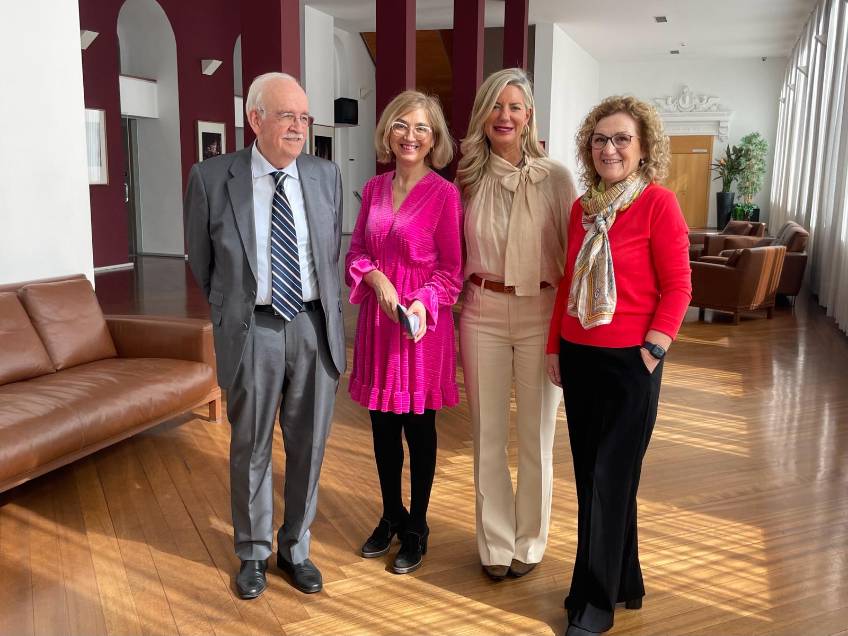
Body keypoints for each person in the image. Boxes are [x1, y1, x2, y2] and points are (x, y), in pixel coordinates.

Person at [185, 72, 346, 600]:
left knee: (309, 445)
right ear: (255, 119)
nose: (299, 127)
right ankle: (253, 553)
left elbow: (329, 252)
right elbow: (202, 263)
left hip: (313, 326)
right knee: (250, 445)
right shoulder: (212, 178)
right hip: (253, 327)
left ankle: (295, 548)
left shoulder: (325, 175)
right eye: (286, 116)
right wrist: (236, 307)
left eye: (304, 117)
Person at [545, 96, 691, 636]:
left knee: (611, 478)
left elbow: (679, 286)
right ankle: (624, 581)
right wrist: (554, 347)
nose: (610, 148)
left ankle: (593, 604)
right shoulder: (581, 208)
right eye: (600, 139)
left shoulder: (658, 204)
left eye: (622, 138)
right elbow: (568, 281)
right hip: (579, 357)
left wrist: (654, 349)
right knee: (595, 479)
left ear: (643, 147)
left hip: (633, 364)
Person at [456, 68, 577, 581]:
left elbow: (575, 260)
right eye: (495, 105)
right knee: (487, 434)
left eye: (514, 107)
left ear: (529, 116)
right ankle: (495, 542)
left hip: (540, 313)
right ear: (483, 113)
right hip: (481, 310)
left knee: (536, 435)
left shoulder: (557, 178)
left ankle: (530, 540)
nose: (504, 116)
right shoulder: (466, 178)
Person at [346, 90, 462, 574]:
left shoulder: (445, 195)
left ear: (434, 140)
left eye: (421, 129)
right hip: (379, 322)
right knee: (382, 428)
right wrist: (375, 278)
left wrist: (420, 301)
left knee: (419, 429)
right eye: (401, 125)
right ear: (387, 132)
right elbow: (356, 252)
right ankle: (391, 514)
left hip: (420, 329)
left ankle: (417, 525)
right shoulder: (373, 188)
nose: (409, 136)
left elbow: (452, 272)